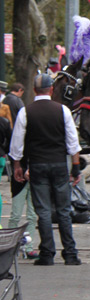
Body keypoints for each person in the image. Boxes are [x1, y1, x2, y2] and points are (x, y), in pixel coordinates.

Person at [9, 74, 83, 266]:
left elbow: (17, 143)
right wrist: (75, 168)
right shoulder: (63, 111)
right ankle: (70, 253)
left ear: (34, 90)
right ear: (51, 90)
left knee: (43, 210)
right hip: (59, 164)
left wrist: (17, 166)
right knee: (64, 210)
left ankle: (47, 253)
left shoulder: (26, 112)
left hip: (37, 165)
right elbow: (73, 143)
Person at [5, 82, 38, 258]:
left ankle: (27, 245)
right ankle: (14, 246)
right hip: (25, 176)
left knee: (30, 214)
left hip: (26, 175)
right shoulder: (24, 137)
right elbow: (15, 153)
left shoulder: (27, 136)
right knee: (18, 213)